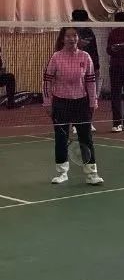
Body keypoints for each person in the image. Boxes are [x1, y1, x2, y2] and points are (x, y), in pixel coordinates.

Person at [43, 26, 103, 186]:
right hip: (60, 103)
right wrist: (47, 102)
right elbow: (47, 81)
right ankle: (62, 172)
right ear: (63, 39)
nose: (71, 39)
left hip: (81, 103)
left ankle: (91, 173)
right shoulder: (56, 57)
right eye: (68, 36)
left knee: (86, 138)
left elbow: (91, 82)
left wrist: (93, 102)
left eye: (74, 35)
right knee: (61, 138)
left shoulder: (85, 56)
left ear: (78, 38)